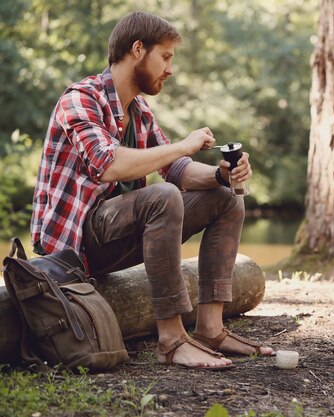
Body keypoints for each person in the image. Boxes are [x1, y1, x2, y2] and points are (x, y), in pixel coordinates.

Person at [30, 10, 273, 370]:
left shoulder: (139, 110)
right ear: (138, 49)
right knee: (162, 197)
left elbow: (177, 170)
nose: (170, 69)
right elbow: (108, 164)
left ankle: (210, 329)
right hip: (75, 247)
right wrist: (184, 144)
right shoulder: (80, 99)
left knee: (226, 199)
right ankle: (172, 340)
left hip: (118, 234)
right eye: (166, 56)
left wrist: (223, 176)